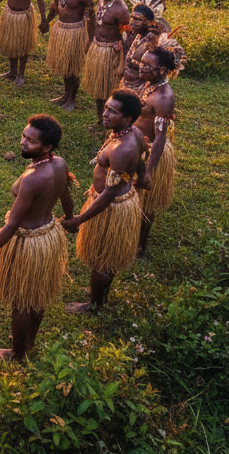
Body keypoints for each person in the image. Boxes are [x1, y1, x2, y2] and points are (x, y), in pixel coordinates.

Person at [0, 115, 74, 361]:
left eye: (30, 141)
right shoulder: (59, 164)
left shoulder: (34, 179)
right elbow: (65, 192)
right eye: (24, 136)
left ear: (47, 147)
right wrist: (70, 217)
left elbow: (13, 224)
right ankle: (29, 340)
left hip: (29, 242)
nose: (23, 143)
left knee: (22, 301)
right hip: (49, 234)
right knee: (37, 294)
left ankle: (18, 353)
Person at [61, 90, 146, 314]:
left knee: (102, 258)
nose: (105, 114)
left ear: (127, 118)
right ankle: (98, 293)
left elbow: (109, 194)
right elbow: (142, 156)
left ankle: (95, 306)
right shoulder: (133, 132)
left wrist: (80, 218)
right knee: (104, 258)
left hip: (111, 208)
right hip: (117, 201)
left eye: (112, 111)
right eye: (106, 108)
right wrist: (144, 179)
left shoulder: (122, 148)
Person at [134, 33, 186, 258]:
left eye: (148, 65)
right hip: (137, 146)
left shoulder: (164, 97)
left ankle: (141, 246)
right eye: (143, 63)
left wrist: (148, 170)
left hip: (151, 151)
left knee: (147, 203)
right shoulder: (149, 84)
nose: (141, 68)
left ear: (163, 70)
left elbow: (161, 137)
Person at [45, 0, 95, 111]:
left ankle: (72, 99)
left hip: (75, 31)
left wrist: (91, 39)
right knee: (64, 65)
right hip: (60, 28)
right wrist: (47, 21)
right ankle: (65, 95)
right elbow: (55, 5)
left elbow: (90, 17)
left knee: (72, 67)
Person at [81, 0, 132, 125]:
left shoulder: (121, 9)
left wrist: (122, 63)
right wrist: (90, 42)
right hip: (97, 48)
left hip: (111, 52)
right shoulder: (101, 1)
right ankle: (99, 120)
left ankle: (110, 123)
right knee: (97, 87)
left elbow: (127, 37)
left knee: (109, 90)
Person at [121, 0, 166, 91]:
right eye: (132, 18)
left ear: (149, 22)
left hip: (139, 89)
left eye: (138, 19)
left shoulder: (151, 41)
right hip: (126, 84)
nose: (132, 22)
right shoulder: (138, 35)